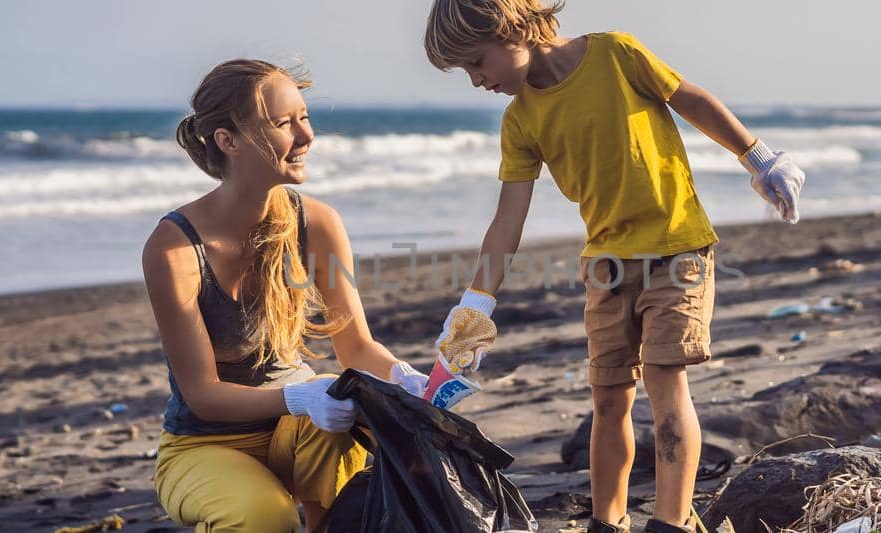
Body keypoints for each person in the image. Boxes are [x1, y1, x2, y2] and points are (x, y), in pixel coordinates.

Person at [419, 1, 808, 531]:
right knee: (607, 399)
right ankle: (609, 520)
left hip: (677, 251)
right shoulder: (520, 120)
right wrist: (475, 305)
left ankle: (672, 522)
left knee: (665, 383)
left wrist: (758, 157)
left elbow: (689, 99)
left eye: (477, 63)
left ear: (511, 29)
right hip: (605, 267)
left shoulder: (616, 54)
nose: (475, 80)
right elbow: (508, 218)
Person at [141, 59, 430, 533]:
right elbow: (204, 396)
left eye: (305, 117)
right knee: (263, 516)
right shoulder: (174, 248)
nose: (306, 135)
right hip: (204, 448)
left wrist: (406, 377)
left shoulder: (317, 223)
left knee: (344, 429)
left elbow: (355, 347)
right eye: (282, 123)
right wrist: (299, 397)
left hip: (303, 429)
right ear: (227, 141)